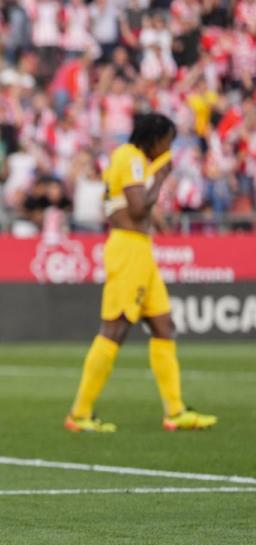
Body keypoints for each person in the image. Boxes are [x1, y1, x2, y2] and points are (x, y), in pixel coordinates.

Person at [65, 113, 217, 433]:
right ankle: (79, 413)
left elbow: (136, 207)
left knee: (164, 325)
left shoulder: (132, 160)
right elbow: (136, 208)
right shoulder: (131, 157)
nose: (168, 148)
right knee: (115, 329)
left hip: (140, 249)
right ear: (154, 138)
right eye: (167, 141)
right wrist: (160, 177)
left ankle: (175, 411)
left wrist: (157, 219)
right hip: (127, 250)